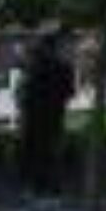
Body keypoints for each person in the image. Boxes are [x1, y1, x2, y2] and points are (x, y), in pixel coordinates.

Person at [17, 31, 75, 201]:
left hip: (33, 116)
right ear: (55, 47)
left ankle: (33, 186)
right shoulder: (64, 67)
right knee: (51, 151)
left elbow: (23, 92)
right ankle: (51, 186)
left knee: (32, 150)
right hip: (53, 114)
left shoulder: (31, 67)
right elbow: (69, 92)